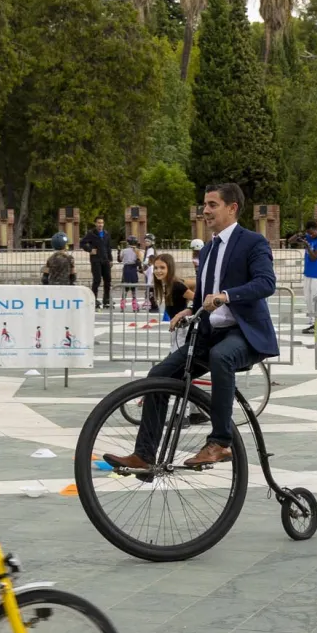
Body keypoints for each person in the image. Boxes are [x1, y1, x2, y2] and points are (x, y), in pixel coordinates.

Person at [104, 183, 277, 470]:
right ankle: (145, 455)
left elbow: (266, 283)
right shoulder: (208, 249)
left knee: (222, 356)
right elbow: (203, 294)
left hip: (244, 333)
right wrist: (189, 309)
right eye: (204, 205)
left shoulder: (252, 242)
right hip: (211, 334)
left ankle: (220, 442)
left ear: (232, 208)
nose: (205, 210)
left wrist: (226, 296)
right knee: (158, 375)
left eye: (212, 205)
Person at [292, 221, 317, 335]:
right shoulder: (308, 236)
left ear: (316, 230)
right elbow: (290, 241)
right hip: (308, 274)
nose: (310, 235)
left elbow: (314, 257)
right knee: (308, 300)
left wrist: (307, 246)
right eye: (308, 233)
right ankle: (312, 322)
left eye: (311, 233)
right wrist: (299, 235)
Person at [79, 216, 112, 309]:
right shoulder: (91, 233)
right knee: (97, 280)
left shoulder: (106, 233)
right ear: (95, 223)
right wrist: (90, 249)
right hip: (96, 260)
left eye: (102, 223)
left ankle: (106, 300)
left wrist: (110, 259)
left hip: (105, 259)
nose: (100, 225)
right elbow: (82, 243)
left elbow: (108, 247)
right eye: (98, 223)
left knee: (108, 280)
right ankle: (93, 299)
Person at [119, 236, 141, 311]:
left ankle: (122, 305)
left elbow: (120, 259)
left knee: (125, 287)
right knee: (134, 288)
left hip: (126, 268)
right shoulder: (137, 251)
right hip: (133, 269)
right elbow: (139, 261)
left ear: (128, 243)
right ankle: (135, 306)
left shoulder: (124, 250)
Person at [141, 234, 158, 312]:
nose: (146, 243)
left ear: (152, 242)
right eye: (145, 241)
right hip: (149, 269)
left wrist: (143, 263)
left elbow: (148, 259)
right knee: (150, 288)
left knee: (150, 287)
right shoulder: (149, 249)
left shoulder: (150, 249)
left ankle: (152, 304)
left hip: (150, 268)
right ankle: (149, 303)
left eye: (148, 241)